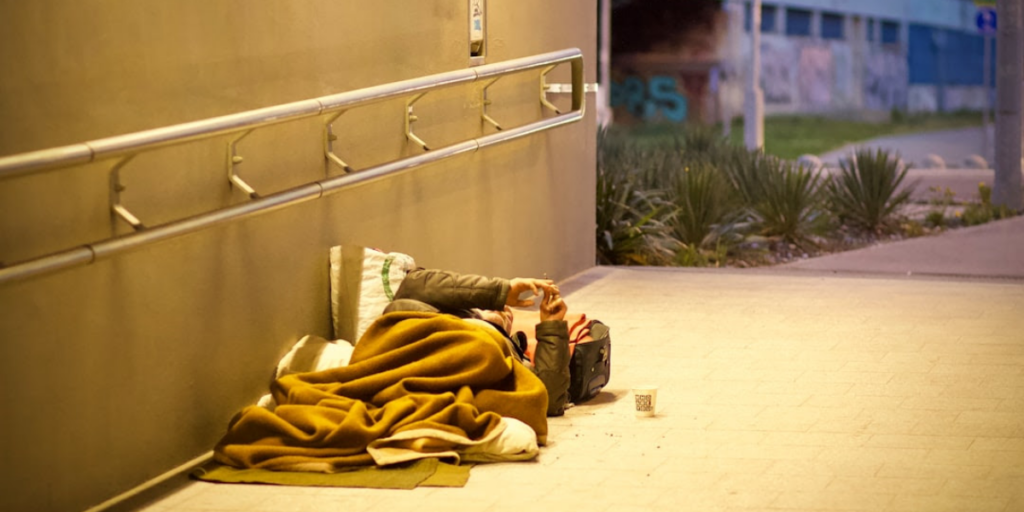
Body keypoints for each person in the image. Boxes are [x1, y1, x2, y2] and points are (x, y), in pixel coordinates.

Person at [382, 268, 571, 416]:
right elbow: (412, 285)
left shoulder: (508, 354)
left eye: (508, 317)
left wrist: (552, 325)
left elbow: (548, 397)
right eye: (499, 307)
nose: (504, 311)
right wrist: (501, 291)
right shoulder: (428, 313)